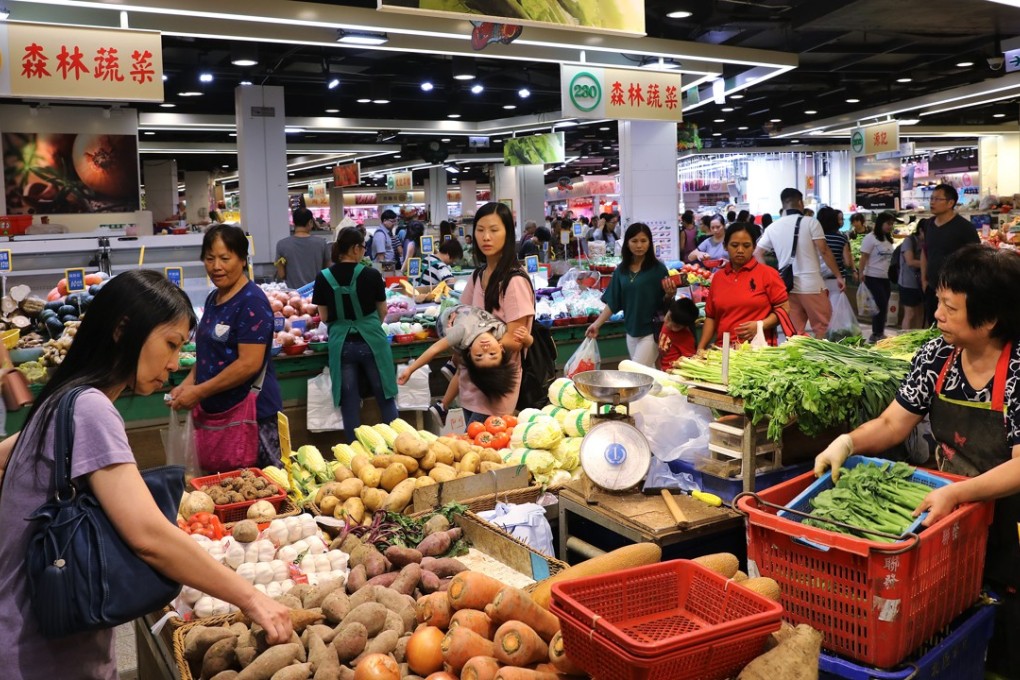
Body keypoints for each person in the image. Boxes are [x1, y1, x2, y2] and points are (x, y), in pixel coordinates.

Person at [0, 270, 292, 679]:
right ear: (124, 330)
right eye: (170, 344)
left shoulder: (61, 401)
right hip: (43, 658)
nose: (174, 364)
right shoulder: (90, 408)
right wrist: (252, 599)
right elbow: (149, 537)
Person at [814, 245, 1020, 678]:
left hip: (1008, 522)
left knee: (1008, 629)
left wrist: (957, 492)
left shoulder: (1017, 367)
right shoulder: (937, 356)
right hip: (953, 517)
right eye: (939, 301)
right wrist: (847, 443)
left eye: (950, 306)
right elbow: (893, 422)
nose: (938, 314)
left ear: (989, 319)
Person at [170, 225, 283, 469]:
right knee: (224, 491)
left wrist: (199, 392)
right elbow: (208, 354)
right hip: (219, 416)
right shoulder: (214, 298)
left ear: (242, 259)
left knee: (262, 492)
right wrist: (187, 384)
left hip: (253, 416)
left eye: (225, 258)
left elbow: (248, 364)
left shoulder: (251, 301)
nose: (216, 266)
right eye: (210, 259)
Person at [450, 202, 535, 424]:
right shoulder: (478, 275)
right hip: (470, 384)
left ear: (508, 233)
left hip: (496, 387)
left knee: (486, 451)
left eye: (494, 230)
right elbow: (460, 318)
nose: (486, 237)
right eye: (480, 230)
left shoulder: (514, 281)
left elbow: (515, 339)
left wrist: (476, 347)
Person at [312, 228, 398, 444]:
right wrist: (366, 325)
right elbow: (383, 311)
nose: (364, 252)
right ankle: (397, 445)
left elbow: (323, 317)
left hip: (342, 345)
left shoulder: (323, 277)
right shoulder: (371, 274)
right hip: (372, 342)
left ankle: (354, 449)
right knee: (385, 394)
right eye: (362, 247)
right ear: (354, 248)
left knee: (349, 399)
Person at [755, 187, 845, 339]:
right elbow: (824, 250)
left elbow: (757, 253)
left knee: (795, 332)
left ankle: (799, 360)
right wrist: (838, 275)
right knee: (823, 326)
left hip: (787, 286)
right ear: (800, 202)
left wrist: (773, 277)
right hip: (812, 286)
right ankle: (820, 359)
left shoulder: (772, 227)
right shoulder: (811, 222)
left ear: (783, 204)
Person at [398, 304, 533, 401]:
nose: (485, 349)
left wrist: (410, 369)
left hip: (445, 321)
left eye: (479, 356)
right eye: (493, 354)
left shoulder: (462, 331)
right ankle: (453, 364)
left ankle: (455, 361)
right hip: (464, 312)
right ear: (501, 347)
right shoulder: (500, 332)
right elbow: (521, 345)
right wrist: (528, 339)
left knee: (456, 343)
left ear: (469, 354)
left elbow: (435, 349)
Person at [587, 222, 677, 367]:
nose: (639, 245)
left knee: (635, 372)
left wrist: (669, 294)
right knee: (648, 377)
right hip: (631, 330)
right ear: (627, 244)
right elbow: (613, 302)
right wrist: (597, 324)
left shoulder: (658, 269)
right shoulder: (621, 271)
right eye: (634, 241)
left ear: (649, 243)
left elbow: (666, 303)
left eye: (643, 241)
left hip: (652, 330)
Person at [698, 222, 792, 350]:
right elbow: (711, 317)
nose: (740, 250)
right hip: (723, 350)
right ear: (725, 246)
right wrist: (701, 347)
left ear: (754, 247)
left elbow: (784, 309)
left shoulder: (768, 274)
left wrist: (760, 325)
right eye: (734, 245)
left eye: (746, 245)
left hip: (758, 351)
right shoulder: (718, 278)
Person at [921, 184, 980, 326]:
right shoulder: (928, 224)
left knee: (953, 327)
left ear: (950, 203)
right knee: (933, 327)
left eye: (937, 199)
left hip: (955, 289)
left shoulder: (964, 227)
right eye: (931, 198)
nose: (932, 202)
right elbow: (925, 251)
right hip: (933, 288)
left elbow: (977, 257)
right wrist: (924, 280)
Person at [858, 212, 896, 343]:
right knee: (879, 304)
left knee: (884, 304)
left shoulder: (887, 239)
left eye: (891, 224)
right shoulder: (870, 238)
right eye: (888, 224)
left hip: (885, 277)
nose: (890, 226)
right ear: (881, 223)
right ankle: (876, 333)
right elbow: (864, 257)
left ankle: (880, 332)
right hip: (872, 276)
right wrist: (860, 273)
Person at [275, 206, 331, 289]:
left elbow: (281, 274)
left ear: (294, 222)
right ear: (310, 222)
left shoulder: (282, 244)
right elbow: (327, 272)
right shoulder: (322, 243)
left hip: (293, 295)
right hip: (316, 293)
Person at [817, 206, 855, 300]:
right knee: (836, 309)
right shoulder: (842, 238)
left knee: (821, 310)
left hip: (818, 278)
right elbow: (847, 263)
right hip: (838, 279)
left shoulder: (816, 239)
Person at [658, 296, 698, 371]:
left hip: (673, 374)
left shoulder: (686, 339)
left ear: (685, 326)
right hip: (663, 369)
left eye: (676, 326)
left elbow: (689, 362)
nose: (669, 325)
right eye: (669, 318)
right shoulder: (668, 322)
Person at [899, 221, 924, 330]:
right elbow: (910, 261)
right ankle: (905, 340)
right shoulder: (909, 241)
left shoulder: (928, 242)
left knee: (920, 313)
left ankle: (918, 340)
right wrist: (928, 265)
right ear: (921, 230)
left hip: (921, 283)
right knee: (910, 313)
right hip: (908, 283)